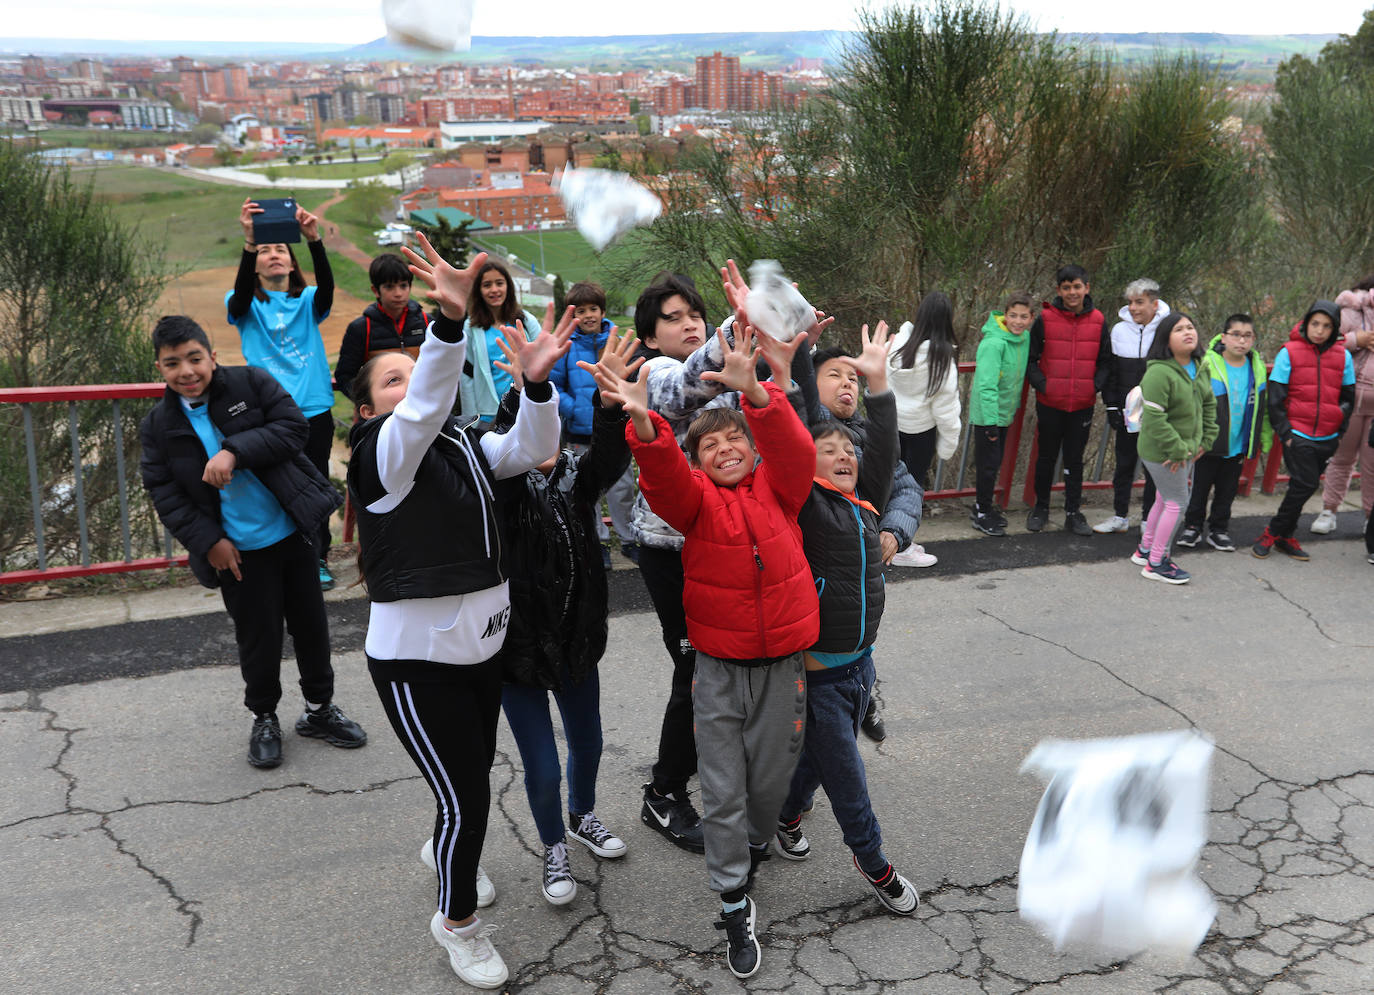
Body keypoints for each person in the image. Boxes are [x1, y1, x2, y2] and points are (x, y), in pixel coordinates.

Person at [346, 233, 569, 990]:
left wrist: (537, 385)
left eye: (414, 374)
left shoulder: (465, 444)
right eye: (392, 379)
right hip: (419, 662)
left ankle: (448, 843)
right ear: (369, 403)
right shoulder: (380, 453)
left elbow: (536, 447)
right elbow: (418, 413)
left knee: (463, 785)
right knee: (469, 796)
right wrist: (445, 325)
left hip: (483, 650)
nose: (408, 387)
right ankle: (457, 922)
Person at [596, 322, 818, 981]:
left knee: (769, 785)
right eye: (709, 445)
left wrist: (758, 395)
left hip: (782, 668)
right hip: (719, 670)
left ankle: (752, 843)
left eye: (732, 440)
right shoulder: (694, 506)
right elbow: (663, 478)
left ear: (752, 449)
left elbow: (794, 448)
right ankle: (732, 899)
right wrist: (643, 425)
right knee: (721, 788)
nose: (723, 449)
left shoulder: (784, 490)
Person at [629, 267, 826, 851]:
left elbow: (778, 422)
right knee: (698, 672)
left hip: (745, 546)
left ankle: (744, 785)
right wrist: (734, 327)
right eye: (673, 318)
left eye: (694, 313)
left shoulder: (730, 374)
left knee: (745, 672)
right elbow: (685, 389)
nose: (687, 323)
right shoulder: (658, 374)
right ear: (649, 338)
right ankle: (664, 792)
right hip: (676, 547)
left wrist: (789, 339)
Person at [139, 315, 365, 769]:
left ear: (212, 356)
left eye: (194, 358)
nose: (187, 371)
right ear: (160, 369)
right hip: (236, 552)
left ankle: (320, 710)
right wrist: (210, 543)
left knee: (312, 628)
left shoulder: (250, 383)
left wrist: (234, 451)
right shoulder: (159, 425)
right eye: (172, 363)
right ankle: (264, 717)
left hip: (293, 532)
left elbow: (292, 428)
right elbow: (165, 493)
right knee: (258, 639)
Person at [773, 322, 920, 918]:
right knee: (847, 777)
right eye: (826, 451)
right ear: (805, 463)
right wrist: (793, 363)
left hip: (861, 663)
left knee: (816, 758)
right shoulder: (802, 506)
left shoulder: (865, 504)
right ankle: (873, 862)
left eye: (848, 452)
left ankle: (784, 817)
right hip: (818, 676)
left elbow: (883, 449)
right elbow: (792, 428)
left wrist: (880, 381)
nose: (841, 456)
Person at [490, 328, 640, 906]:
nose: (545, 438)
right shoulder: (500, 482)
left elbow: (609, 454)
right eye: (534, 425)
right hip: (519, 653)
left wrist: (607, 405)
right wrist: (529, 385)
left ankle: (583, 817)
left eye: (551, 425)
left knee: (590, 742)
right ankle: (553, 844)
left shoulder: (577, 476)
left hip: (577, 641)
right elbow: (512, 430)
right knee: (543, 766)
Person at [800, 343, 928, 738]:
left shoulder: (871, 433)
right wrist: (798, 355)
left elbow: (905, 486)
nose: (847, 384)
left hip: (861, 562)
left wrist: (894, 530)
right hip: (815, 565)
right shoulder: (809, 431)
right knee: (817, 656)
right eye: (834, 375)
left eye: (853, 378)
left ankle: (860, 698)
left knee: (858, 635)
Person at [227, 198, 338, 589]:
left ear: (292, 264)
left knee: (315, 485)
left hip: (314, 410)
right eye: (265, 250)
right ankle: (282, 560)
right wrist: (247, 240)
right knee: (272, 487)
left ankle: (318, 559)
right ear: (254, 264)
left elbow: (326, 288)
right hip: (269, 416)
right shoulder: (243, 306)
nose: (273, 254)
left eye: (280, 250)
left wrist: (314, 240)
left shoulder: (307, 302)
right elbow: (240, 296)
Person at [1253, 301, 1355, 561]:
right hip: (1297, 433)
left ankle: (1284, 537)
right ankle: (1273, 531)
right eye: (1315, 324)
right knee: (1307, 483)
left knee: (1301, 486)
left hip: (1328, 435)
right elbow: (1275, 398)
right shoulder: (1289, 352)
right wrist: (1286, 433)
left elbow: (1348, 396)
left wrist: (1339, 426)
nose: (1320, 330)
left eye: (1327, 326)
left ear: (1334, 329)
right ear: (1306, 323)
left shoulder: (1343, 355)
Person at [548, 280, 637, 566]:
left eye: (593, 309)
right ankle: (597, 541)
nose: (587, 315)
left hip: (614, 432)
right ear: (571, 315)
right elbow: (555, 386)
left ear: (602, 311)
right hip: (579, 432)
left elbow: (628, 381)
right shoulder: (566, 347)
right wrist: (575, 409)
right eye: (580, 311)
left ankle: (627, 540)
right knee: (588, 491)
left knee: (622, 489)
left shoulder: (614, 341)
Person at [1025, 264, 1112, 535]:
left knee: (1075, 460)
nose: (1072, 292)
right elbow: (1030, 360)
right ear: (1058, 290)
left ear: (1087, 288)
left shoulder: (1098, 320)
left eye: (1077, 286)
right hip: (1050, 403)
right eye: (1066, 287)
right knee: (1046, 458)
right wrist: (1044, 385)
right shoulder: (1045, 319)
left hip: (1082, 405)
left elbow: (1106, 361)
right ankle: (1040, 508)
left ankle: (1073, 513)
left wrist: (1093, 387)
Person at [1131, 312, 1217, 584]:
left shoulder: (1200, 366)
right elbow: (1155, 419)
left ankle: (1145, 550)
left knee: (1164, 498)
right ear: (1166, 339)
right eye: (1179, 329)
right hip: (1162, 451)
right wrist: (1178, 450)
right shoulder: (1158, 372)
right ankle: (1157, 561)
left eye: (1190, 327)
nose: (1187, 332)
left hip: (1188, 449)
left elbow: (1209, 406)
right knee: (1178, 503)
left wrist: (1205, 441)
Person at [1176, 315, 1270, 552]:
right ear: (1224, 337)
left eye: (1247, 336)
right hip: (1208, 442)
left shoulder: (1256, 366)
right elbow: (1192, 402)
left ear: (1253, 339)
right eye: (1236, 334)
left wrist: (1263, 437)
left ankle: (1219, 530)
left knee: (1227, 491)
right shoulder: (1207, 363)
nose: (1241, 341)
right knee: (1199, 488)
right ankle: (1192, 527)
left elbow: (1263, 406)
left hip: (1238, 443)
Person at [1094, 279, 1170, 533]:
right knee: (1124, 464)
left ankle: (1149, 519)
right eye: (1130, 302)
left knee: (1153, 468)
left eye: (1140, 302)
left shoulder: (1169, 329)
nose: (1134, 308)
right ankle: (1120, 517)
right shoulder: (1118, 330)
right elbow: (1111, 370)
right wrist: (1112, 406)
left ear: (1154, 303)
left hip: (1158, 410)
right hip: (1129, 411)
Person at [1310, 277, 1374, 536]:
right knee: (1342, 458)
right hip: (1349, 398)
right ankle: (1329, 510)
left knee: (1372, 466)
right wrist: (1355, 339)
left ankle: (1371, 518)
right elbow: (1325, 342)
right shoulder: (1350, 311)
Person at [967, 294, 1033, 536]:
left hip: (1005, 413)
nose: (1018, 321)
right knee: (987, 465)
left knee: (993, 464)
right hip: (989, 416)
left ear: (1031, 318)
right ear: (1005, 315)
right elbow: (986, 386)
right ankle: (981, 513)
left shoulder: (1023, 338)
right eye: (1013, 315)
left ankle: (983, 506)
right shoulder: (994, 343)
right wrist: (992, 422)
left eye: (1023, 316)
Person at [888, 291, 962, 489]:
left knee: (889, 481)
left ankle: (883, 519)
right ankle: (906, 519)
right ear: (947, 320)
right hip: (922, 434)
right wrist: (948, 445)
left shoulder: (895, 346)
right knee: (912, 486)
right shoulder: (942, 360)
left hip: (893, 426)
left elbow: (883, 386)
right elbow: (945, 408)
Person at [333, 253, 432, 401]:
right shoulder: (360, 328)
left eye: (403, 285)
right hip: (381, 414)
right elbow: (345, 376)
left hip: (423, 406)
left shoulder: (426, 322)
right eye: (389, 287)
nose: (398, 293)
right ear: (375, 290)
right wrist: (370, 403)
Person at [457, 258, 541, 422]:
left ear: (508, 286)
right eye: (487, 285)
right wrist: (470, 418)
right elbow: (466, 376)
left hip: (526, 409)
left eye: (499, 283)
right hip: (488, 415)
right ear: (479, 290)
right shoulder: (470, 328)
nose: (494, 290)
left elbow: (544, 364)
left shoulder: (525, 320)